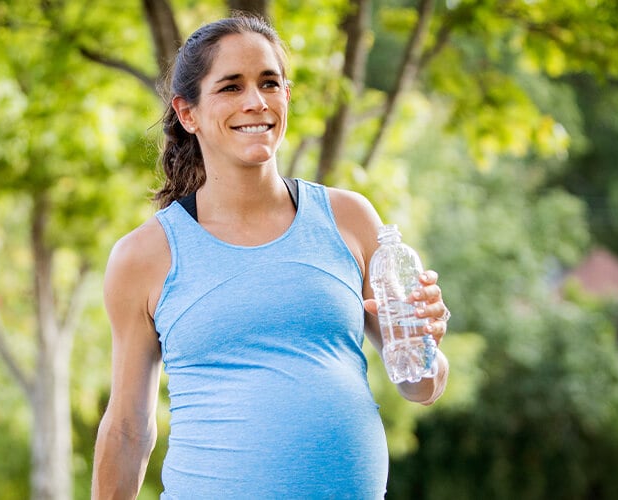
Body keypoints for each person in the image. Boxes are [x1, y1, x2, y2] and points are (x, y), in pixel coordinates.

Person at [92, 14, 450, 499]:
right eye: (231, 87)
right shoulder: (144, 256)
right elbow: (129, 429)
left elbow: (421, 387)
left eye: (269, 82)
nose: (256, 102)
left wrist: (423, 340)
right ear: (188, 112)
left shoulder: (350, 218)